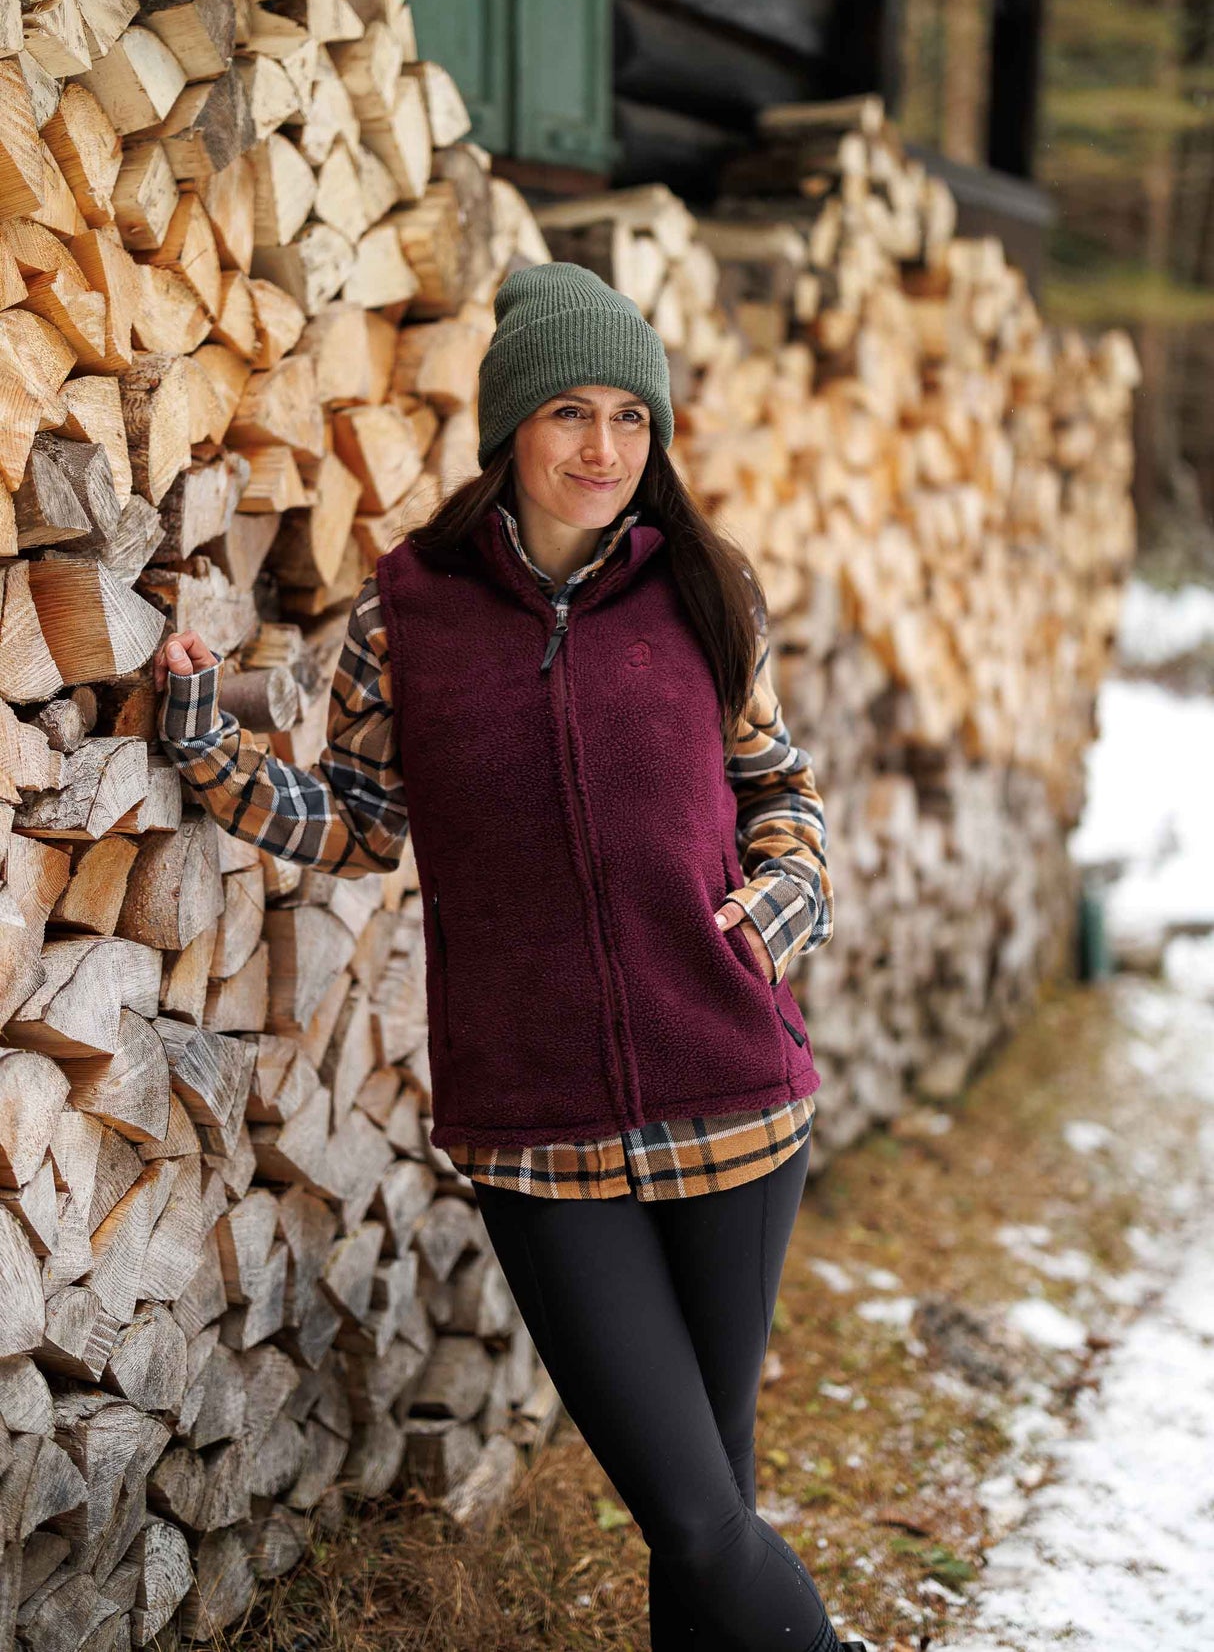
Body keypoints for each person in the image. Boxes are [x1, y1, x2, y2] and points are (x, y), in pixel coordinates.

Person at [155, 262, 859, 1652]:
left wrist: (781, 903)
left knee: (705, 1508)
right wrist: (208, 749)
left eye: (629, 420)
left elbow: (780, 791)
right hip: (542, 1134)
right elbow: (360, 822)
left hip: (733, 1096)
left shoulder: (706, 593)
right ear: (510, 433)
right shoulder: (408, 615)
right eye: (569, 414)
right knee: (702, 1514)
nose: (603, 451)